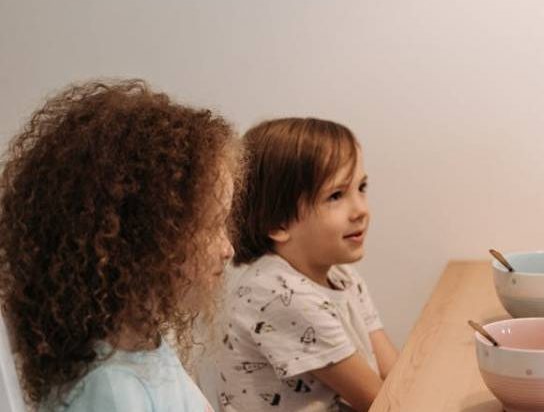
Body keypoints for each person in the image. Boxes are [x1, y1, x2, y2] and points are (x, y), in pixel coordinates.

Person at [0, 80, 240, 411]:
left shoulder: (144, 345)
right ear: (146, 241)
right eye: (213, 226)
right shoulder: (110, 392)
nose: (228, 249)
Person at [218, 118, 397, 412]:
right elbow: (382, 402)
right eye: (336, 195)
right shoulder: (278, 293)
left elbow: (395, 375)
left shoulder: (341, 275)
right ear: (278, 221)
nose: (361, 209)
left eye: (361, 187)